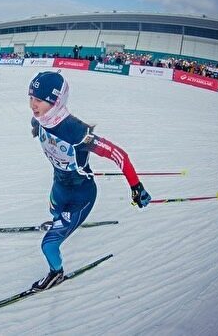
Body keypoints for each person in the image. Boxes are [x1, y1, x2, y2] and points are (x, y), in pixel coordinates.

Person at [28, 71, 151, 291]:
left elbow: (119, 155)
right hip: (59, 187)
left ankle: (56, 273)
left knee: (48, 245)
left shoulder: (76, 132)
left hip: (80, 196)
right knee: (53, 211)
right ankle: (59, 221)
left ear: (56, 101)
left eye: (39, 100)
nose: (32, 105)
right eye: (30, 98)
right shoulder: (41, 120)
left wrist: (136, 187)